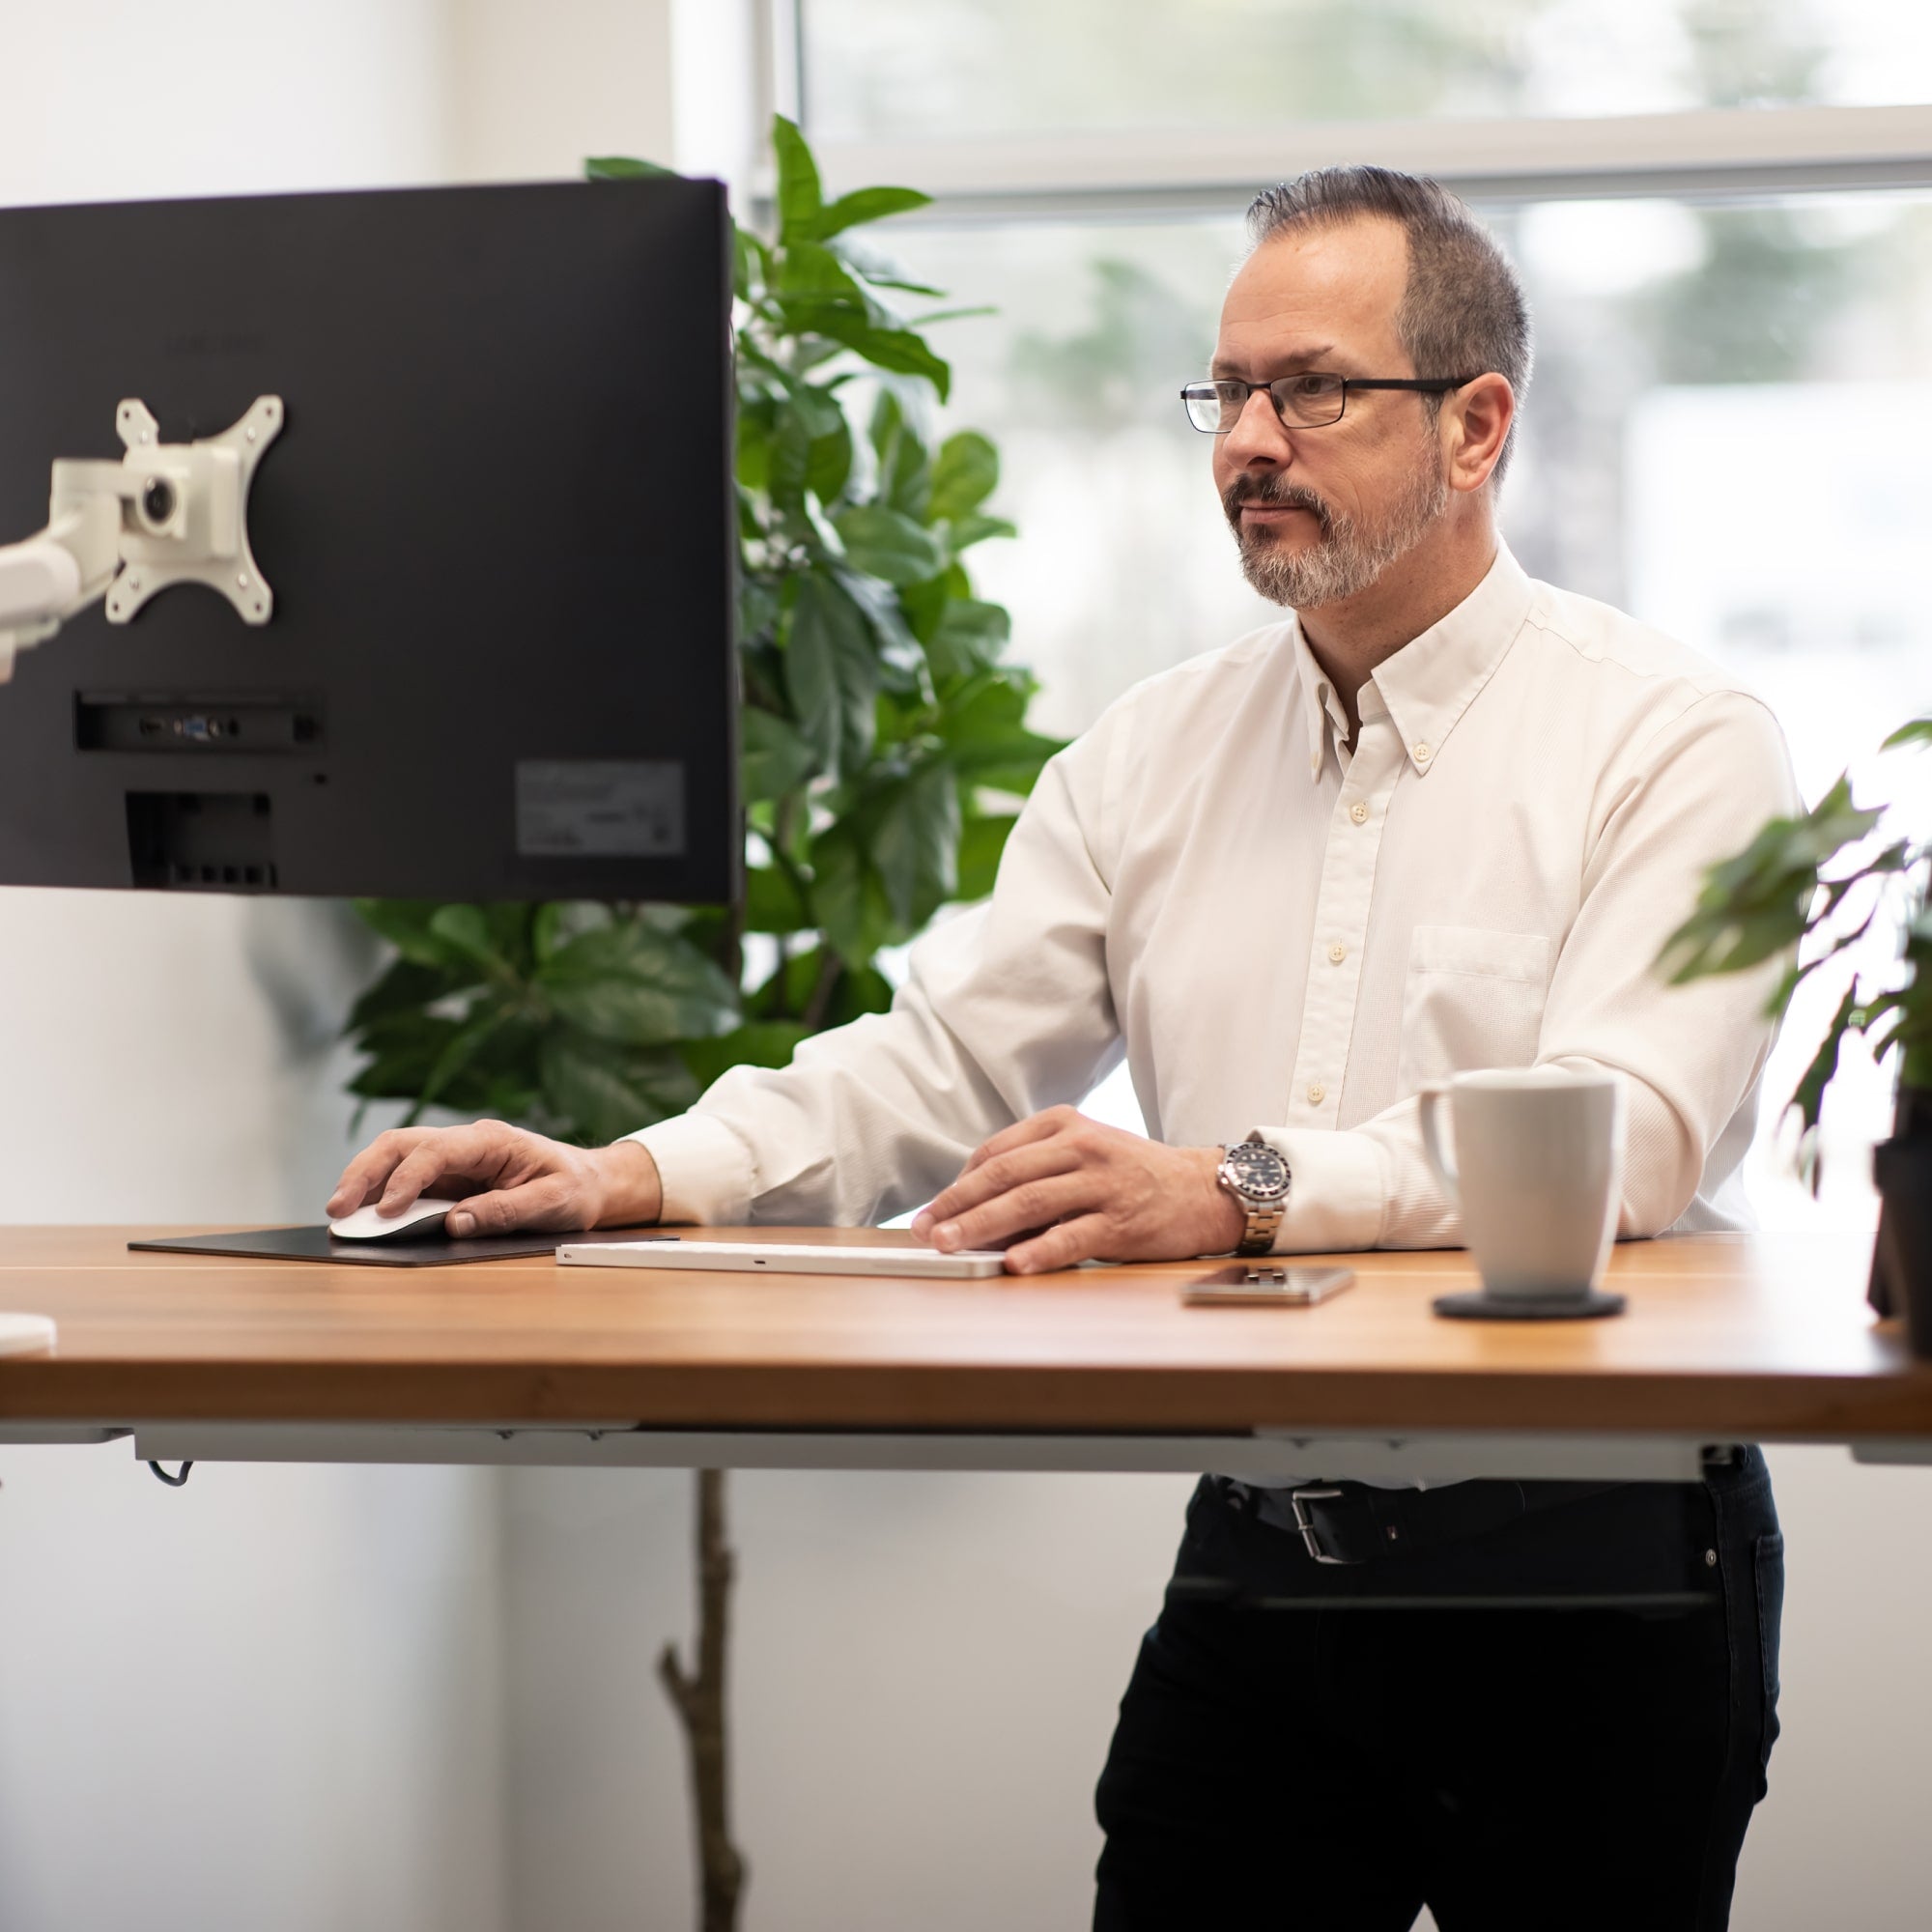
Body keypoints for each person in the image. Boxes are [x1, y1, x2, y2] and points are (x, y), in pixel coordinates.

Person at [328, 166, 1793, 1927]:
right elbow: (943, 1061)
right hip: (1262, 1555)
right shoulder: (1148, 753)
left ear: (1477, 426)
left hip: (1593, 1581)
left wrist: (1238, 1191)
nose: (1250, 437)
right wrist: (628, 1173)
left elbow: (1622, 1133)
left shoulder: (1675, 743)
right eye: (1229, 391)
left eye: (1311, 389)